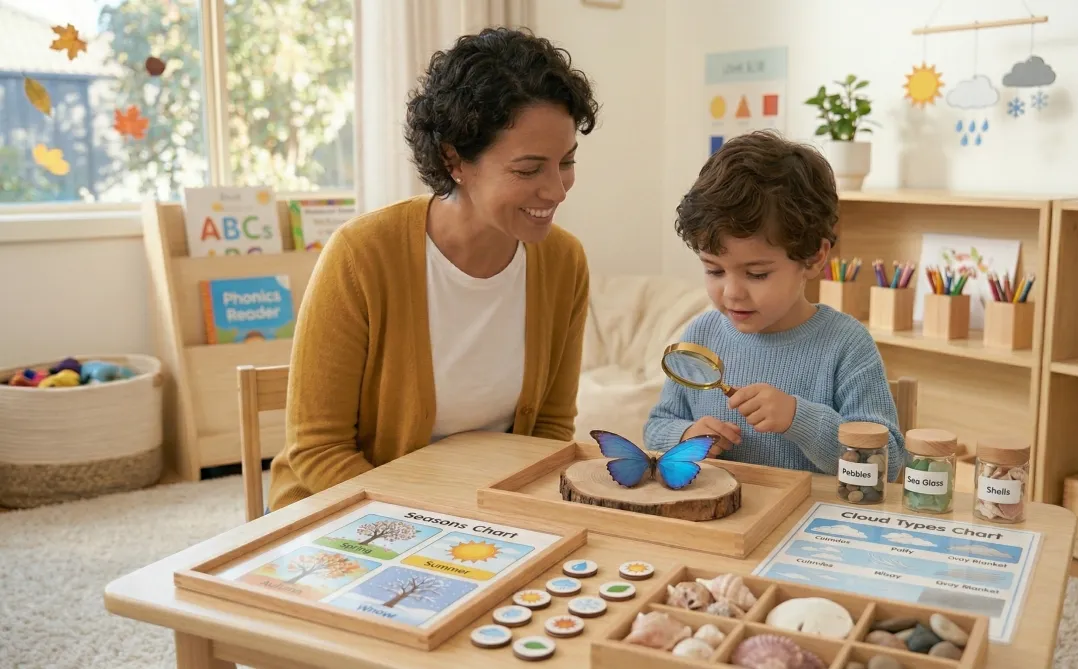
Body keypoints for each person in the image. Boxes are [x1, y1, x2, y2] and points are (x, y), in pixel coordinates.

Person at [267, 27, 599, 511]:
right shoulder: (362, 255)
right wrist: (433, 518)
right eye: (529, 170)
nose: (557, 189)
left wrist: (496, 516)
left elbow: (548, 430)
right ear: (453, 159)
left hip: (476, 514)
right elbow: (318, 450)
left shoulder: (564, 263)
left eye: (566, 161)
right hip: (342, 506)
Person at [643, 130, 904, 476]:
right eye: (714, 270)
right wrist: (686, 435)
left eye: (757, 274)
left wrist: (800, 419)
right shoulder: (701, 335)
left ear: (814, 258)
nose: (732, 292)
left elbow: (889, 463)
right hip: (718, 506)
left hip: (806, 511)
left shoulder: (846, 345)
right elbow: (657, 426)